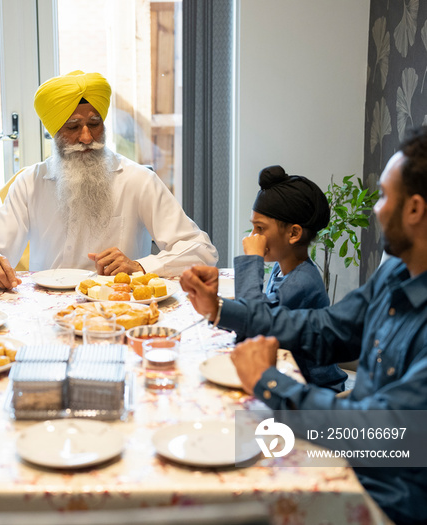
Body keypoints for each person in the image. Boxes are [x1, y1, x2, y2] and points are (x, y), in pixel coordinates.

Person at [180, 127, 427, 524]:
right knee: (210, 442)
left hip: (385, 497)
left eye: (383, 195)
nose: (376, 209)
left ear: (413, 209)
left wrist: (269, 380)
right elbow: (326, 329)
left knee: (229, 491)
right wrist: (222, 308)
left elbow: (380, 436)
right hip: (353, 453)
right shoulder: (396, 273)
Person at [0, 70, 218, 289]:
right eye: (73, 127)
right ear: (54, 132)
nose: (86, 137)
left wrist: (140, 265)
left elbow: (201, 250)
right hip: (46, 311)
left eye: (94, 124)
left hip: (116, 308)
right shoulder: (30, 183)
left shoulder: (138, 180)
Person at [234, 165, 346, 390]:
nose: (252, 237)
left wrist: (252, 261)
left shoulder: (303, 283)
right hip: (287, 375)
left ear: (294, 233)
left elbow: (254, 326)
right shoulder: (281, 268)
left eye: (260, 229)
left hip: (312, 392)